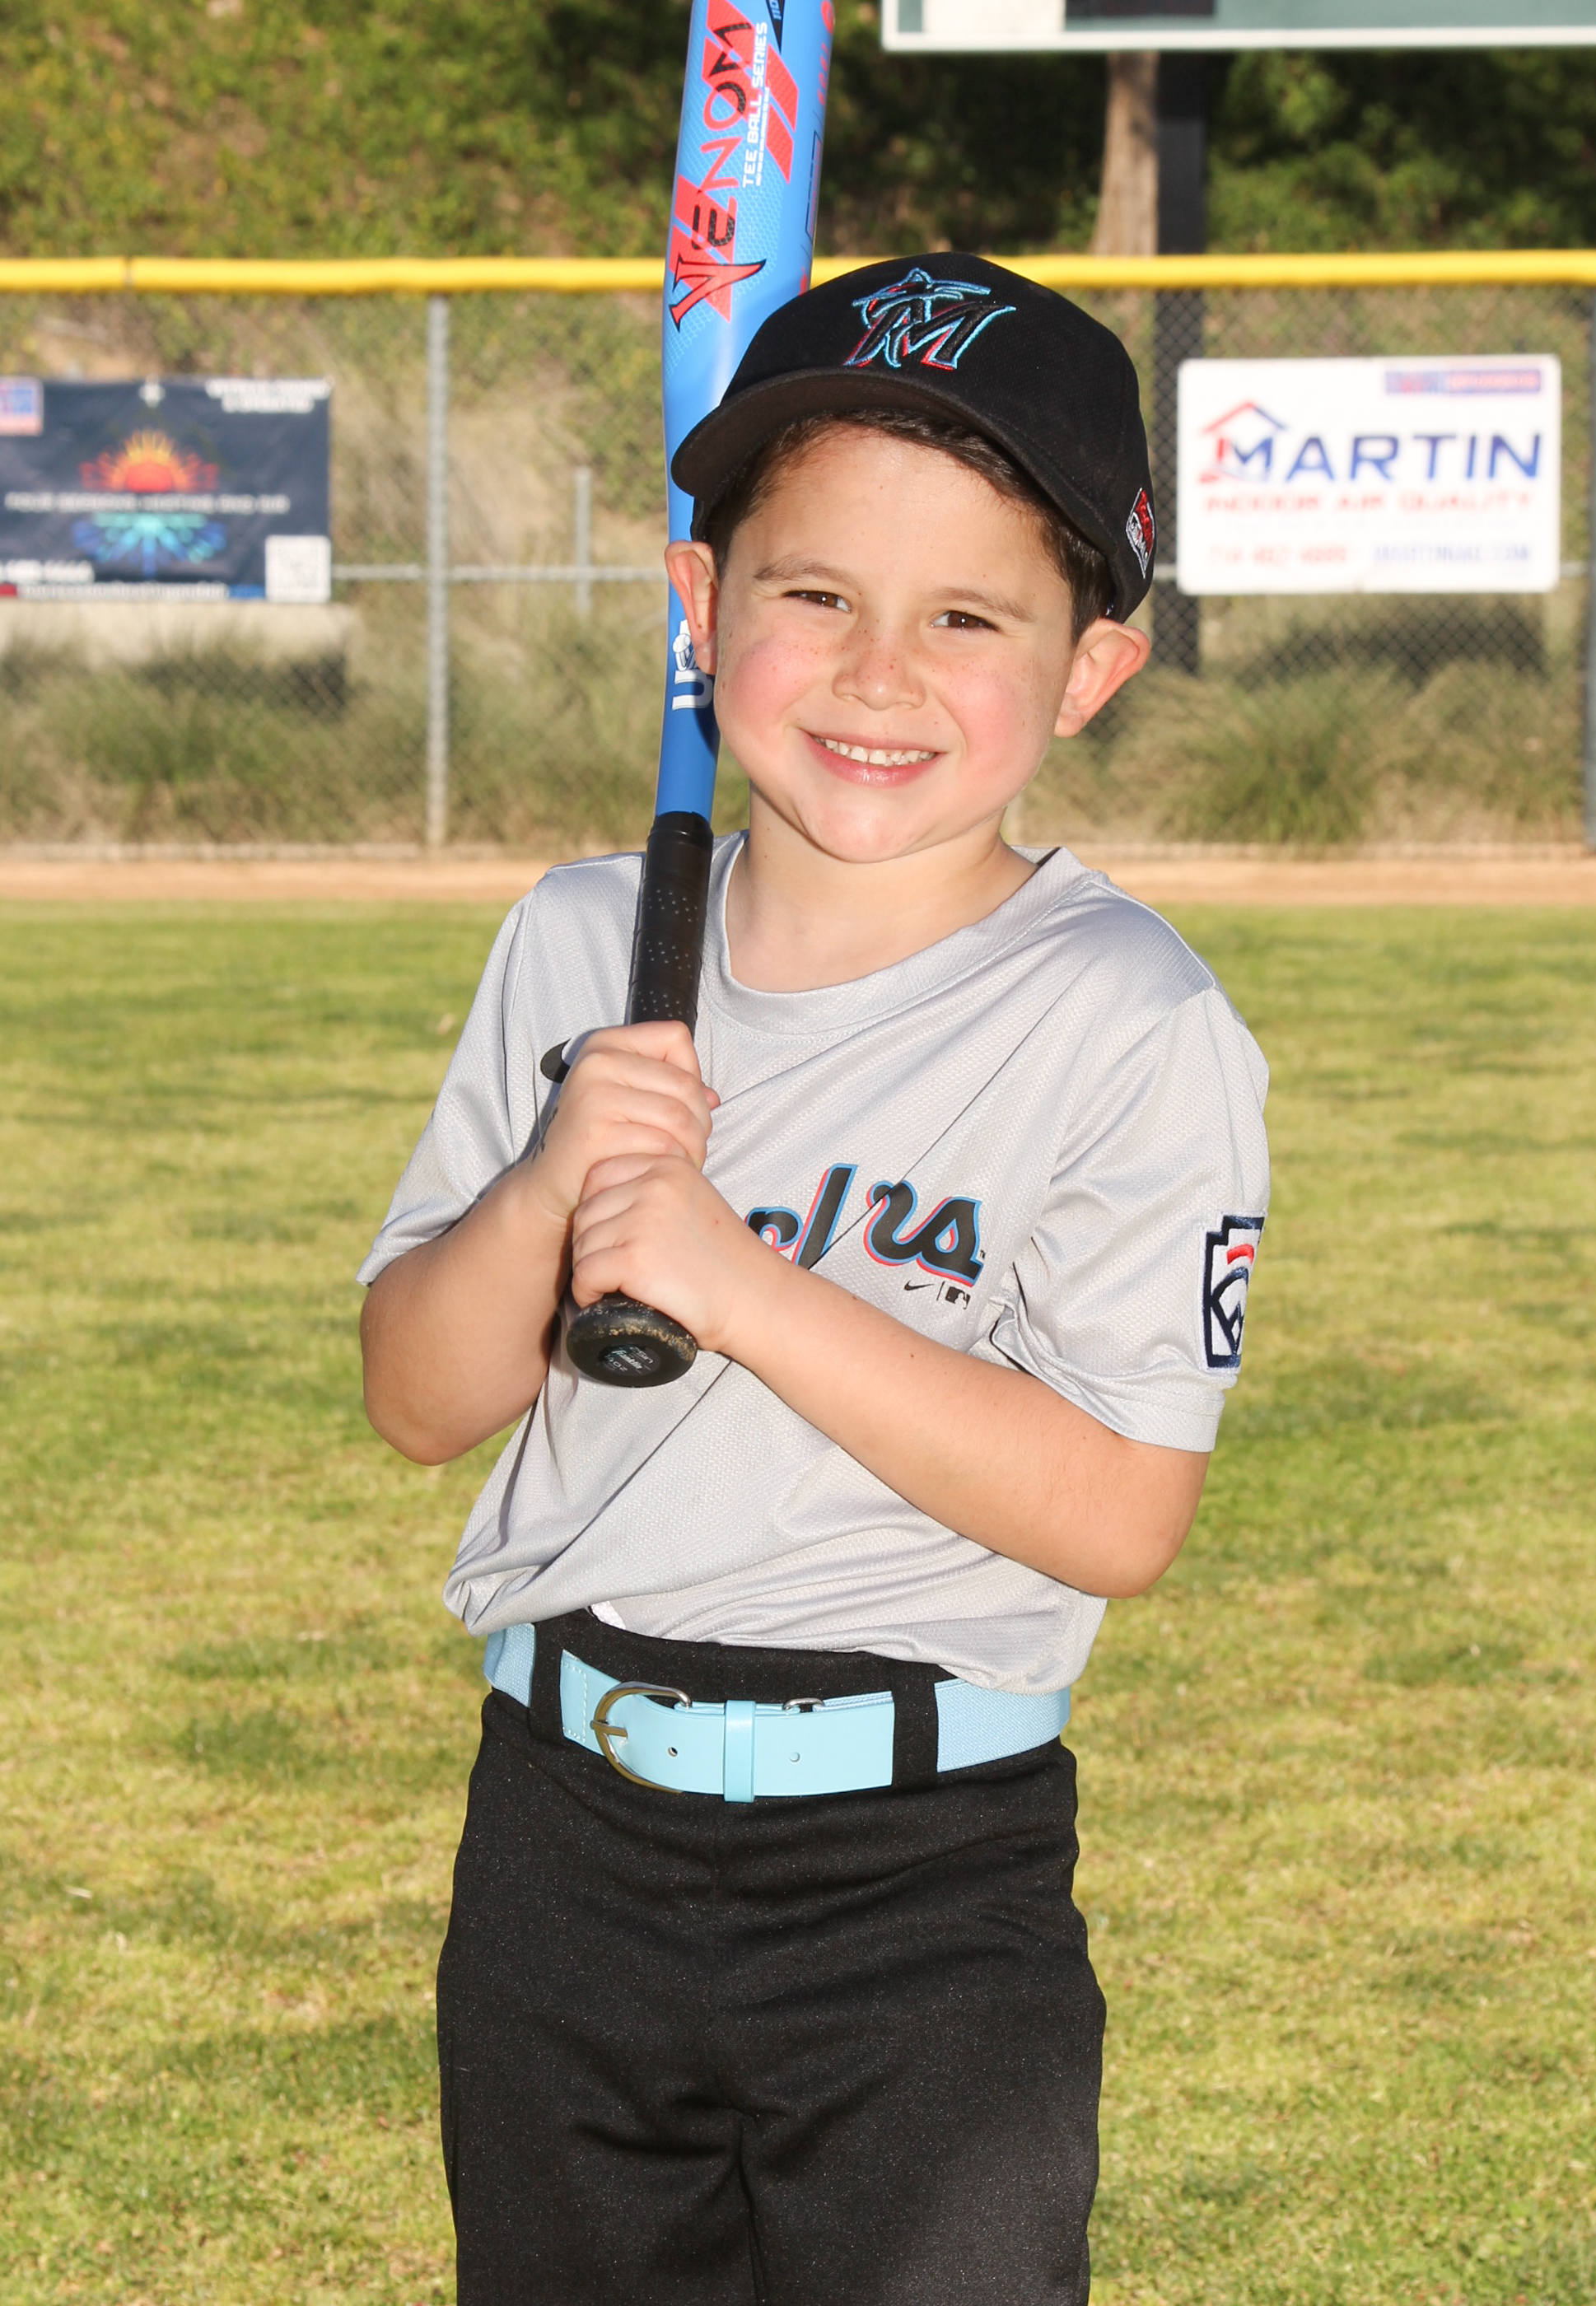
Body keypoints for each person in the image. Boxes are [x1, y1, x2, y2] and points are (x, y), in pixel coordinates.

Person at [357, 254, 1270, 2306]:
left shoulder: (1128, 1018)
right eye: (815, 592)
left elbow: (1119, 1510)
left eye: (967, 618)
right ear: (701, 608)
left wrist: (742, 1283)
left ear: (1090, 670)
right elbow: (417, 1396)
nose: (876, 672)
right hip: (562, 1836)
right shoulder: (585, 943)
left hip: (919, 1872)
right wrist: (556, 1179)